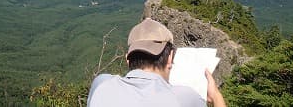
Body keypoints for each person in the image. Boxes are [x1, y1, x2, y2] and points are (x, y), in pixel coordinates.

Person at [87, 18, 227, 107]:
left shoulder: (101, 84)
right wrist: (215, 95)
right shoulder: (184, 98)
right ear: (170, 58)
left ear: (127, 59)